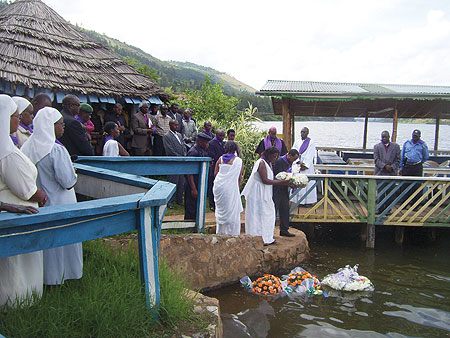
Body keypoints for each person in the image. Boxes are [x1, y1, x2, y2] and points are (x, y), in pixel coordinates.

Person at [22, 107, 83, 286]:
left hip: (40, 203)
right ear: (50, 126)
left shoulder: (27, 146)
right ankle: (64, 277)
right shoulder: (56, 150)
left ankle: (46, 279)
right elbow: (67, 181)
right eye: (60, 124)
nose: (63, 127)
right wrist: (74, 173)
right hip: (61, 201)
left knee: (47, 246)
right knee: (63, 242)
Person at [0, 94, 47, 307]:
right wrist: (40, 195)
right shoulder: (6, 152)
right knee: (17, 266)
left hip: (13, 210)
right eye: (15, 116)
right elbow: (24, 189)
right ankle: (17, 304)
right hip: (16, 213)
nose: (17, 120)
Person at [241, 146, 290, 245]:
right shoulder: (261, 163)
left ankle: (266, 236)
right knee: (259, 214)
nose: (275, 158)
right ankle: (257, 237)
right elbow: (265, 180)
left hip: (265, 192)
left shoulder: (269, 163)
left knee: (267, 214)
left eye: (277, 156)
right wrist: (281, 182)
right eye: (274, 156)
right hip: (258, 192)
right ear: (269, 154)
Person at [213, 141, 243, 235]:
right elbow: (239, 177)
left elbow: (215, 174)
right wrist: (236, 189)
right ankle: (231, 233)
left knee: (220, 208)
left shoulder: (220, 159)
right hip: (230, 188)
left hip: (219, 186)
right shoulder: (238, 161)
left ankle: (221, 232)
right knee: (231, 210)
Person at [184, 132, 212, 220]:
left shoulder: (202, 151)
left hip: (200, 183)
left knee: (197, 207)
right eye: (206, 143)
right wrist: (193, 189)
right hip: (192, 184)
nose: (207, 145)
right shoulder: (193, 152)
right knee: (191, 207)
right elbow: (189, 172)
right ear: (200, 142)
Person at [273, 149, 299, 237]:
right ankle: (269, 230)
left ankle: (284, 229)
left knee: (285, 209)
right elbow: (278, 176)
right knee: (274, 209)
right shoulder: (280, 161)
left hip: (284, 188)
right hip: (276, 188)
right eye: (294, 159)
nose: (294, 161)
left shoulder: (289, 162)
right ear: (289, 155)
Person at [400, 129, 429, 206]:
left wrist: (419, 162)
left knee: (417, 186)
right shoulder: (407, 143)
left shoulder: (423, 145)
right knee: (405, 185)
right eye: (413, 135)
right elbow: (402, 156)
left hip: (417, 167)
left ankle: (415, 204)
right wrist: (401, 167)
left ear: (419, 136)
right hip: (407, 166)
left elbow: (426, 156)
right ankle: (404, 203)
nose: (414, 137)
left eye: (416, 136)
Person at [163, 120, 186, 208]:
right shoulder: (166, 136)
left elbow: (183, 146)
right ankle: (170, 201)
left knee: (181, 181)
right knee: (173, 181)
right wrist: (178, 157)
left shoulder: (179, 135)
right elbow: (169, 149)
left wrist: (184, 155)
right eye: (174, 125)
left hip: (181, 161)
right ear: (170, 125)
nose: (176, 126)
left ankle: (179, 200)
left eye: (177, 125)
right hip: (173, 161)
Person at [292, 127, 317, 205]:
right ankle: (297, 201)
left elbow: (311, 154)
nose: (302, 134)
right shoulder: (297, 142)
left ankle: (308, 201)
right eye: (301, 132)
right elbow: (293, 151)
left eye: (304, 132)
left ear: (307, 133)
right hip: (298, 164)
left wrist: (305, 164)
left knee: (308, 183)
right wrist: (298, 162)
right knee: (297, 181)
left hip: (307, 167)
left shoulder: (311, 142)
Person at [207, 129, 225, 211]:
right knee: (212, 185)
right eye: (220, 135)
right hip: (214, 166)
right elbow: (211, 154)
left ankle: (219, 203)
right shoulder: (211, 143)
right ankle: (211, 204)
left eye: (223, 135)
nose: (222, 137)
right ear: (216, 135)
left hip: (222, 167)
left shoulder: (223, 143)